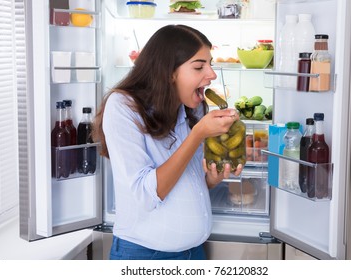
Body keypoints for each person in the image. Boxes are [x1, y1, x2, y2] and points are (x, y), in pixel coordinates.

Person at [92, 24, 243, 260]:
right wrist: (197, 135)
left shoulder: (190, 108)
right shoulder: (122, 106)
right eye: (199, 66)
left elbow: (183, 179)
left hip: (194, 253)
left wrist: (210, 179)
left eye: (210, 64)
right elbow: (145, 194)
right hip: (145, 256)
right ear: (169, 72)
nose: (212, 74)